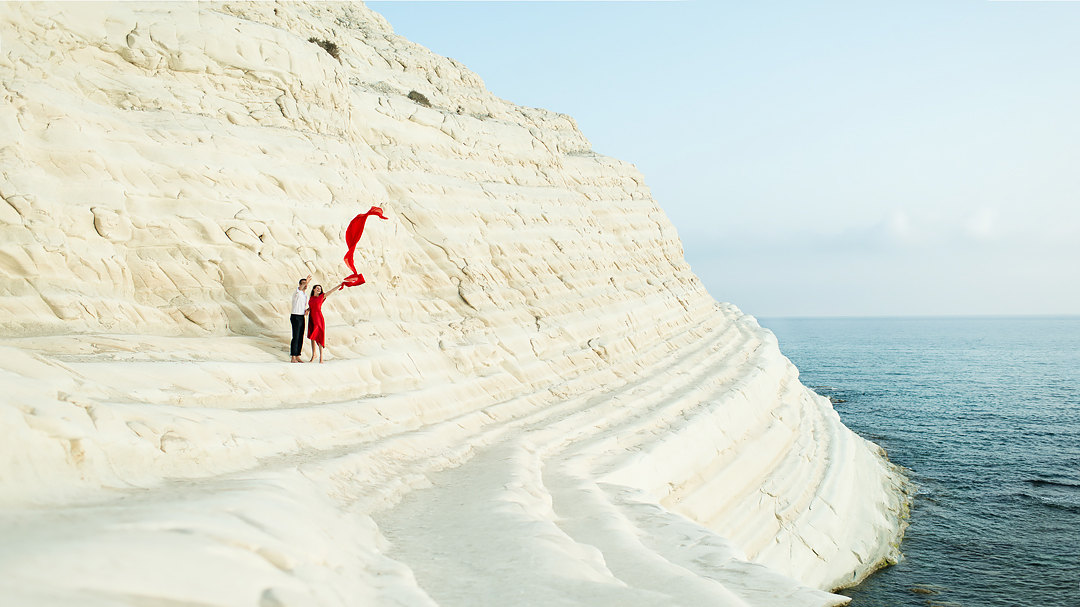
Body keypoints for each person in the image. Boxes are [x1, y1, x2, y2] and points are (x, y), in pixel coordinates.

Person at [307, 282, 344, 363]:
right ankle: (314, 355)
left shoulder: (322, 296)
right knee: (312, 337)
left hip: (318, 318)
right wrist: (307, 310)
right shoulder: (311, 298)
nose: (319, 289)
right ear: (314, 289)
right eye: (317, 288)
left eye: (320, 288)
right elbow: (311, 307)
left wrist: (339, 285)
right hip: (311, 318)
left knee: (319, 337)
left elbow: (331, 291)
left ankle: (321, 358)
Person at [290, 274, 311, 363]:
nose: (305, 285)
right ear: (299, 285)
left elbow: (302, 305)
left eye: (306, 284)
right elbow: (300, 288)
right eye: (303, 283)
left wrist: (307, 310)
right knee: (296, 336)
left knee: (301, 336)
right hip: (295, 316)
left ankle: (298, 355)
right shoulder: (297, 292)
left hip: (301, 316)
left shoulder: (304, 294)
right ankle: (293, 357)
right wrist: (306, 281)